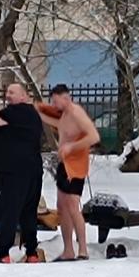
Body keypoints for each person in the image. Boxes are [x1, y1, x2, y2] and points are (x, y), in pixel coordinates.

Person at [0, 83, 46, 263]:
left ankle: (2, 253)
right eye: (7, 92)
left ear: (24, 96)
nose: (8, 96)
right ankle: (31, 252)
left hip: (15, 173)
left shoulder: (17, 111)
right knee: (28, 212)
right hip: (33, 171)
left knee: (10, 210)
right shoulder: (32, 115)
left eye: (12, 93)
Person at [38, 85, 100, 262]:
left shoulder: (76, 112)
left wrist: (72, 147)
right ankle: (68, 250)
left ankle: (83, 250)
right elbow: (57, 123)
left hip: (76, 166)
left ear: (65, 97)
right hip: (64, 164)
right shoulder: (64, 115)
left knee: (73, 206)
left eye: (55, 101)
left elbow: (94, 136)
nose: (54, 105)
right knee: (62, 206)